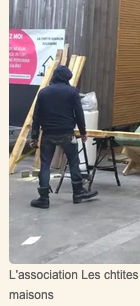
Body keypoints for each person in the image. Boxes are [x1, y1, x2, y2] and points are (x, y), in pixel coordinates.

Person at [29, 65, 98, 208]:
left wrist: (34, 136)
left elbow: (37, 116)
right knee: (74, 162)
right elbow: (78, 113)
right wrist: (83, 132)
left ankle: (43, 198)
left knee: (45, 165)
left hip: (48, 134)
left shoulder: (43, 92)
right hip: (67, 133)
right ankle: (78, 193)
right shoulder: (72, 92)